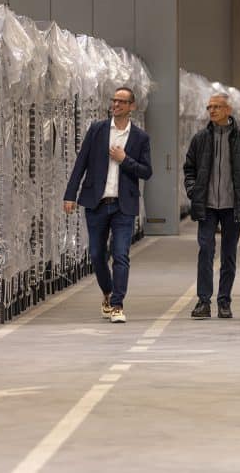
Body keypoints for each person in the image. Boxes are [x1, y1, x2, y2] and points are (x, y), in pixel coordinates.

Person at [64, 87, 152, 324]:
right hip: (97, 203)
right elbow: (81, 163)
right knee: (96, 254)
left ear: (131, 106)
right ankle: (107, 292)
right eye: (114, 101)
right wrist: (70, 195)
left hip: (123, 205)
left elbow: (146, 171)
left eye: (121, 102)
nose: (116, 105)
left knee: (121, 254)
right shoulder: (97, 130)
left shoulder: (140, 137)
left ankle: (117, 304)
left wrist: (125, 160)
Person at [184, 93, 240, 319]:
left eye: (217, 107)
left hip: (233, 206)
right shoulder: (200, 139)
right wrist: (193, 191)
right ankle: (203, 301)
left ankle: (224, 301)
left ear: (228, 110)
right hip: (207, 205)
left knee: (229, 254)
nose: (212, 111)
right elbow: (189, 168)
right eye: (209, 107)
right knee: (205, 251)